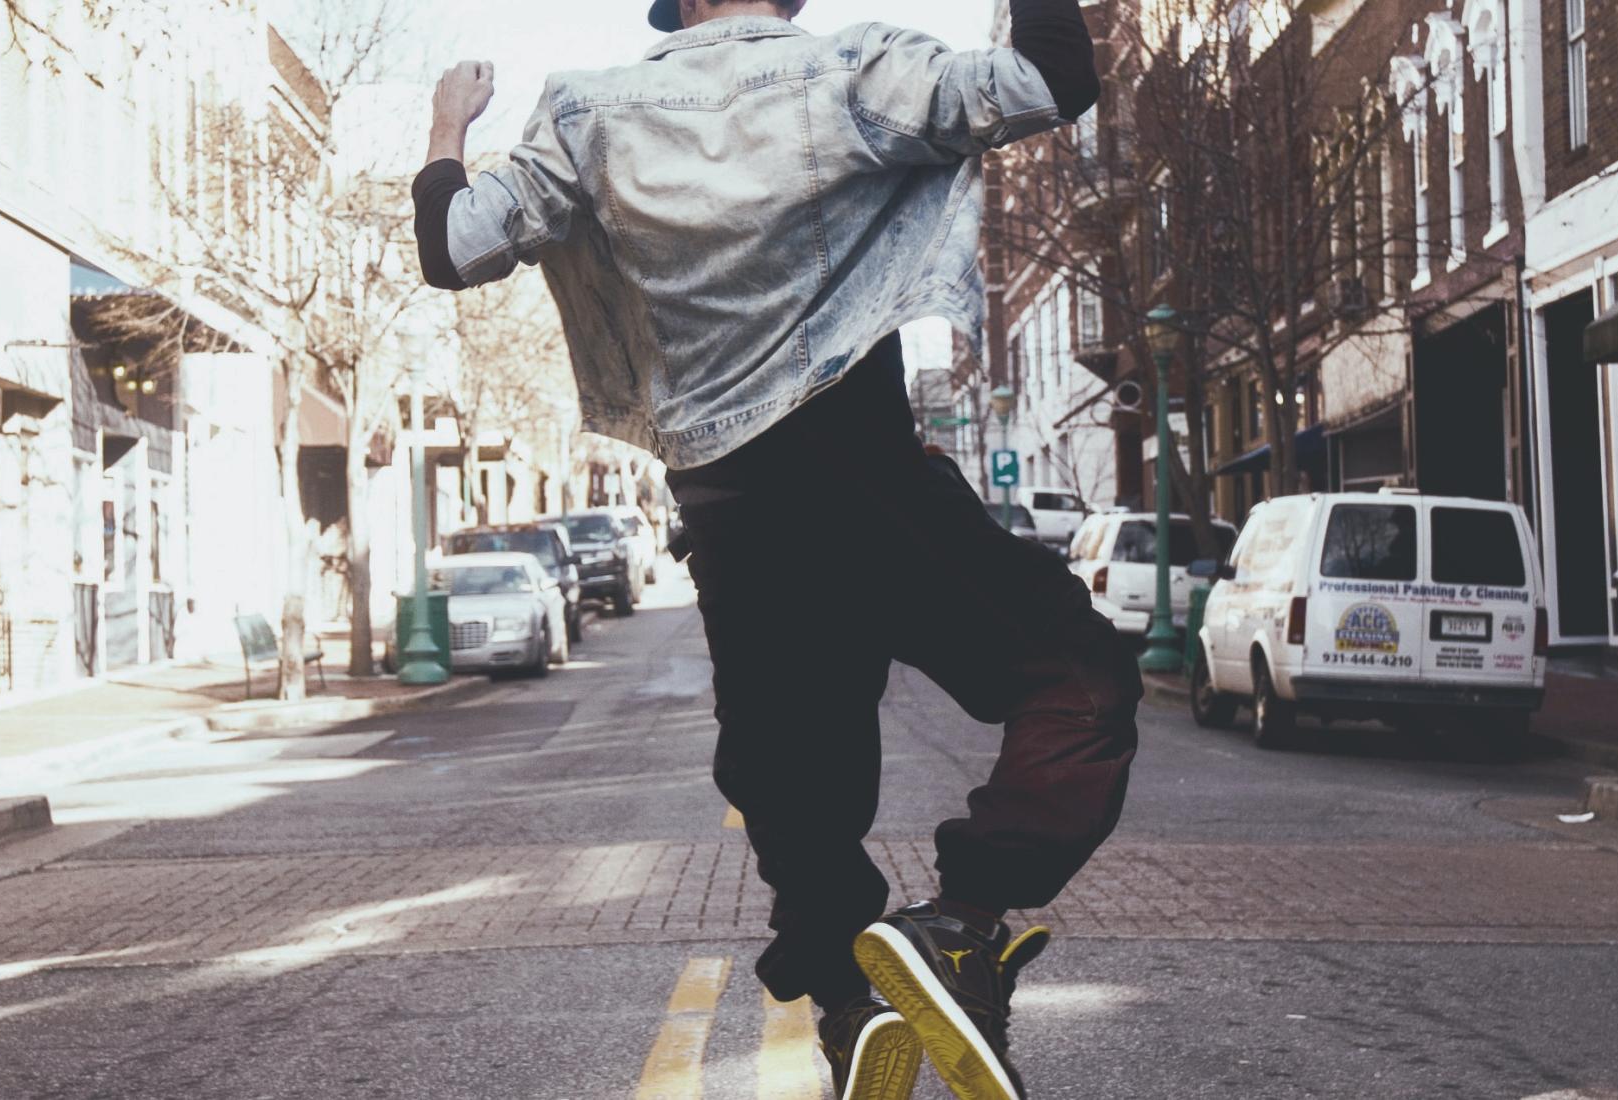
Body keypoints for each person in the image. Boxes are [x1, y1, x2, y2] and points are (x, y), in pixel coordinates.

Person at [414, 5, 1125, 1098]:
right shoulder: (858, 69)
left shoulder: (582, 112)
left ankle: (851, 1005)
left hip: (730, 510)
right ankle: (960, 924)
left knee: (794, 786)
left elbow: (452, 248)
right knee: (1076, 679)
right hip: (862, 468)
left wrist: (446, 125)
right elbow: (1049, 78)